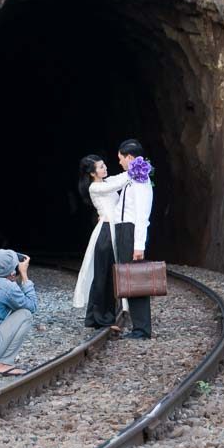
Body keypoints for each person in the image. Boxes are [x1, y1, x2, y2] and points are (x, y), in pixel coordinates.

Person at [73, 155, 127, 330]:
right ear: (92, 173)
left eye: (104, 165)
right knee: (102, 275)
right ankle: (102, 318)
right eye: (101, 167)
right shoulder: (95, 187)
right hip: (105, 232)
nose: (105, 168)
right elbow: (118, 183)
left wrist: (135, 168)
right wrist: (137, 170)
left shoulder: (104, 183)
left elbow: (118, 179)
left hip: (110, 229)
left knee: (106, 274)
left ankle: (96, 317)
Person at [113, 139, 154, 339]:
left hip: (131, 232)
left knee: (135, 279)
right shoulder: (130, 178)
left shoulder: (141, 180)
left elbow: (142, 215)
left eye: (121, 158)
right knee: (129, 278)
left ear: (129, 157)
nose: (119, 162)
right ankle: (139, 326)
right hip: (123, 231)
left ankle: (142, 329)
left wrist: (139, 245)